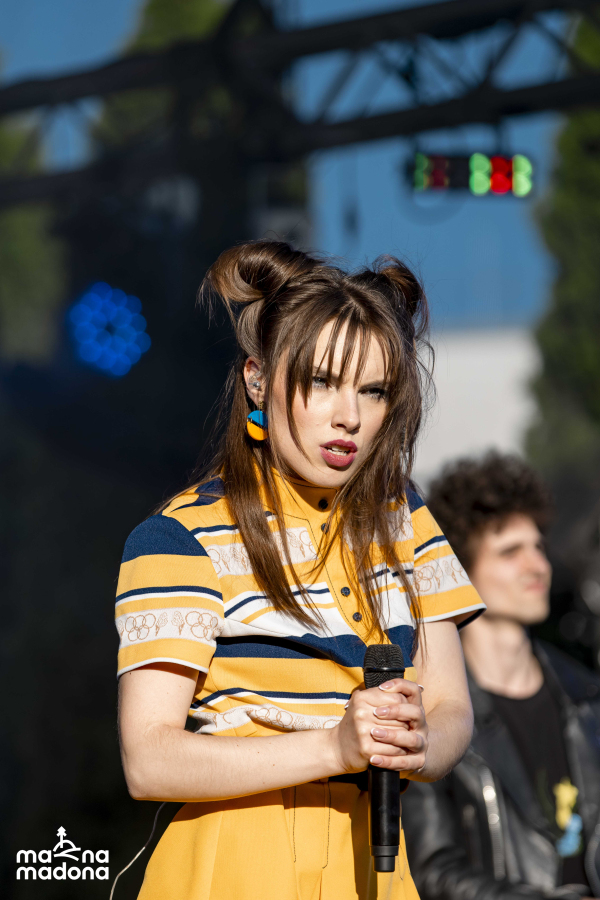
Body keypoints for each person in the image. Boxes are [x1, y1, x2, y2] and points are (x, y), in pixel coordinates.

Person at [115, 241, 485, 900]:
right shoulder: (182, 536)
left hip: (375, 863)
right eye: (322, 382)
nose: (350, 416)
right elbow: (148, 759)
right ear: (257, 379)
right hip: (233, 864)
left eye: (373, 390)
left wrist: (420, 743)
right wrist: (334, 747)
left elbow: (451, 706)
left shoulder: (405, 518)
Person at [402, 452, 600, 899]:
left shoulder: (588, 696)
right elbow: (432, 872)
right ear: (460, 571)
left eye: (538, 547)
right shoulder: (431, 712)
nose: (537, 565)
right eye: (511, 552)